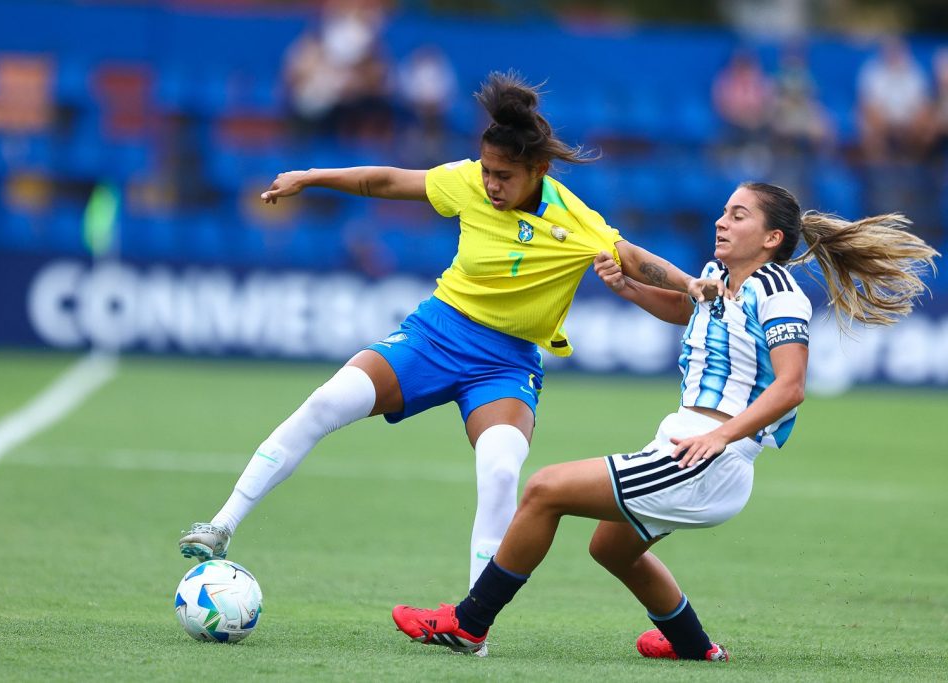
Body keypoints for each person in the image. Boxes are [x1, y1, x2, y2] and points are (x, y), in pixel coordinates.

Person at [177, 71, 711, 610]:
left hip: (506, 364)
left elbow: (636, 259)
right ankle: (220, 525)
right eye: (485, 171)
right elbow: (383, 182)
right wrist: (311, 175)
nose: (490, 185)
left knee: (502, 466)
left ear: (539, 170)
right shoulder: (467, 182)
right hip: (436, 333)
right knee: (326, 402)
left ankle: (473, 618)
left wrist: (691, 284)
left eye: (503, 175)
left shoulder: (577, 222)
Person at [391, 182, 939, 661]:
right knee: (611, 548)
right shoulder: (715, 276)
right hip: (686, 440)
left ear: (772, 238)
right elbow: (690, 311)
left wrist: (720, 436)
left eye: (739, 215)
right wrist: (629, 288)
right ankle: (694, 646)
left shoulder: (777, 292)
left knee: (543, 490)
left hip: (711, 456)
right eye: (724, 211)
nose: (722, 221)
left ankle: (468, 623)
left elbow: (790, 385)